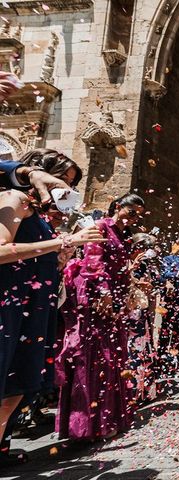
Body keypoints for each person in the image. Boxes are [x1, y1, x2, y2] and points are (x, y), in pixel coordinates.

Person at [0, 182, 103, 466]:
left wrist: (60, 258)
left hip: (33, 308)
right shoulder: (13, 201)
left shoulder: (39, 219)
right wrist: (63, 243)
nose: (60, 212)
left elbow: (40, 268)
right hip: (10, 306)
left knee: (17, 387)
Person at [56, 193, 146, 441]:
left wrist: (130, 289)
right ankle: (86, 425)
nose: (133, 218)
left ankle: (109, 418)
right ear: (118, 207)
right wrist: (104, 293)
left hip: (114, 299)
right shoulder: (99, 227)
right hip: (95, 298)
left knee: (113, 356)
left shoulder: (123, 234)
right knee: (95, 356)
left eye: (138, 215)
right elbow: (92, 263)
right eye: (131, 212)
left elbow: (121, 268)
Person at [126, 233, 161, 403]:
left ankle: (145, 390)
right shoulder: (126, 263)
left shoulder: (145, 265)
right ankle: (132, 391)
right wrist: (131, 272)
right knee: (133, 351)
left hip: (143, 311)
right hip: (130, 313)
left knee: (144, 350)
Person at [158, 236, 179, 374]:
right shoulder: (167, 259)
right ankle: (161, 359)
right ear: (175, 244)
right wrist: (177, 274)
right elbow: (163, 274)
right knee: (167, 328)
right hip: (172, 300)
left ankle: (175, 358)